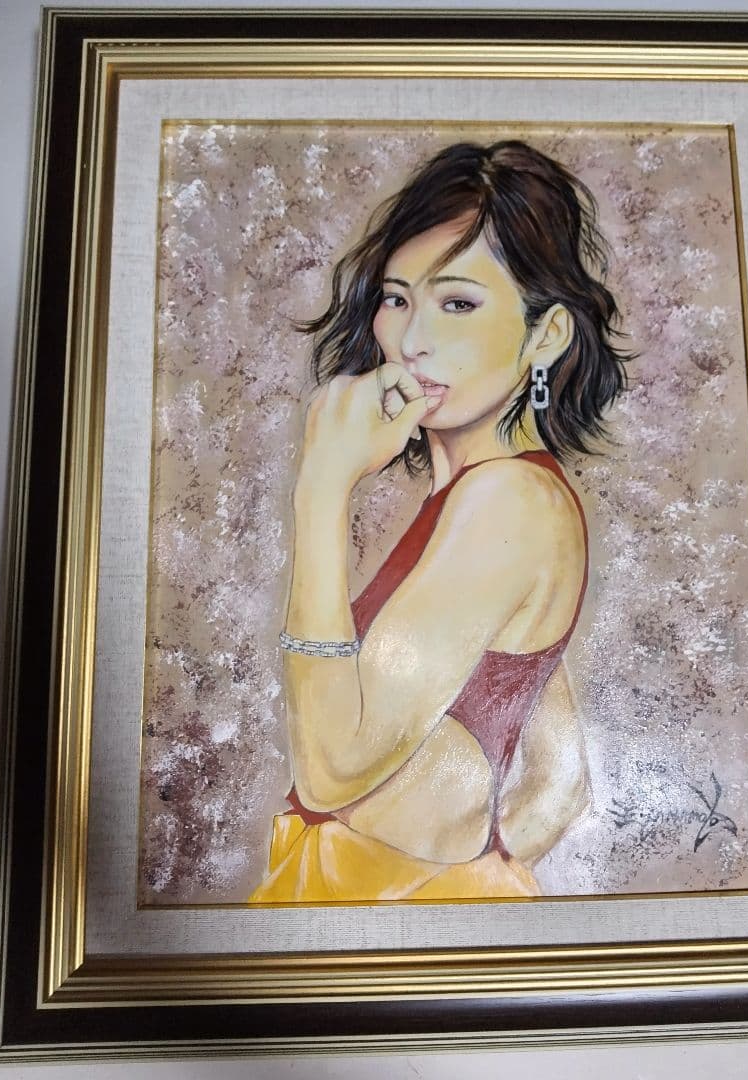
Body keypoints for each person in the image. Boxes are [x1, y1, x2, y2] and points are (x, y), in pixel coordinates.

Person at [249, 140, 627, 903]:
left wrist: (320, 487)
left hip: (358, 914)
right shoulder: (498, 497)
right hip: (371, 904)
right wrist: (464, 885)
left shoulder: (509, 502)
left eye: (458, 303)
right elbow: (560, 782)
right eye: (397, 298)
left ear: (547, 335)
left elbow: (329, 771)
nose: (411, 340)